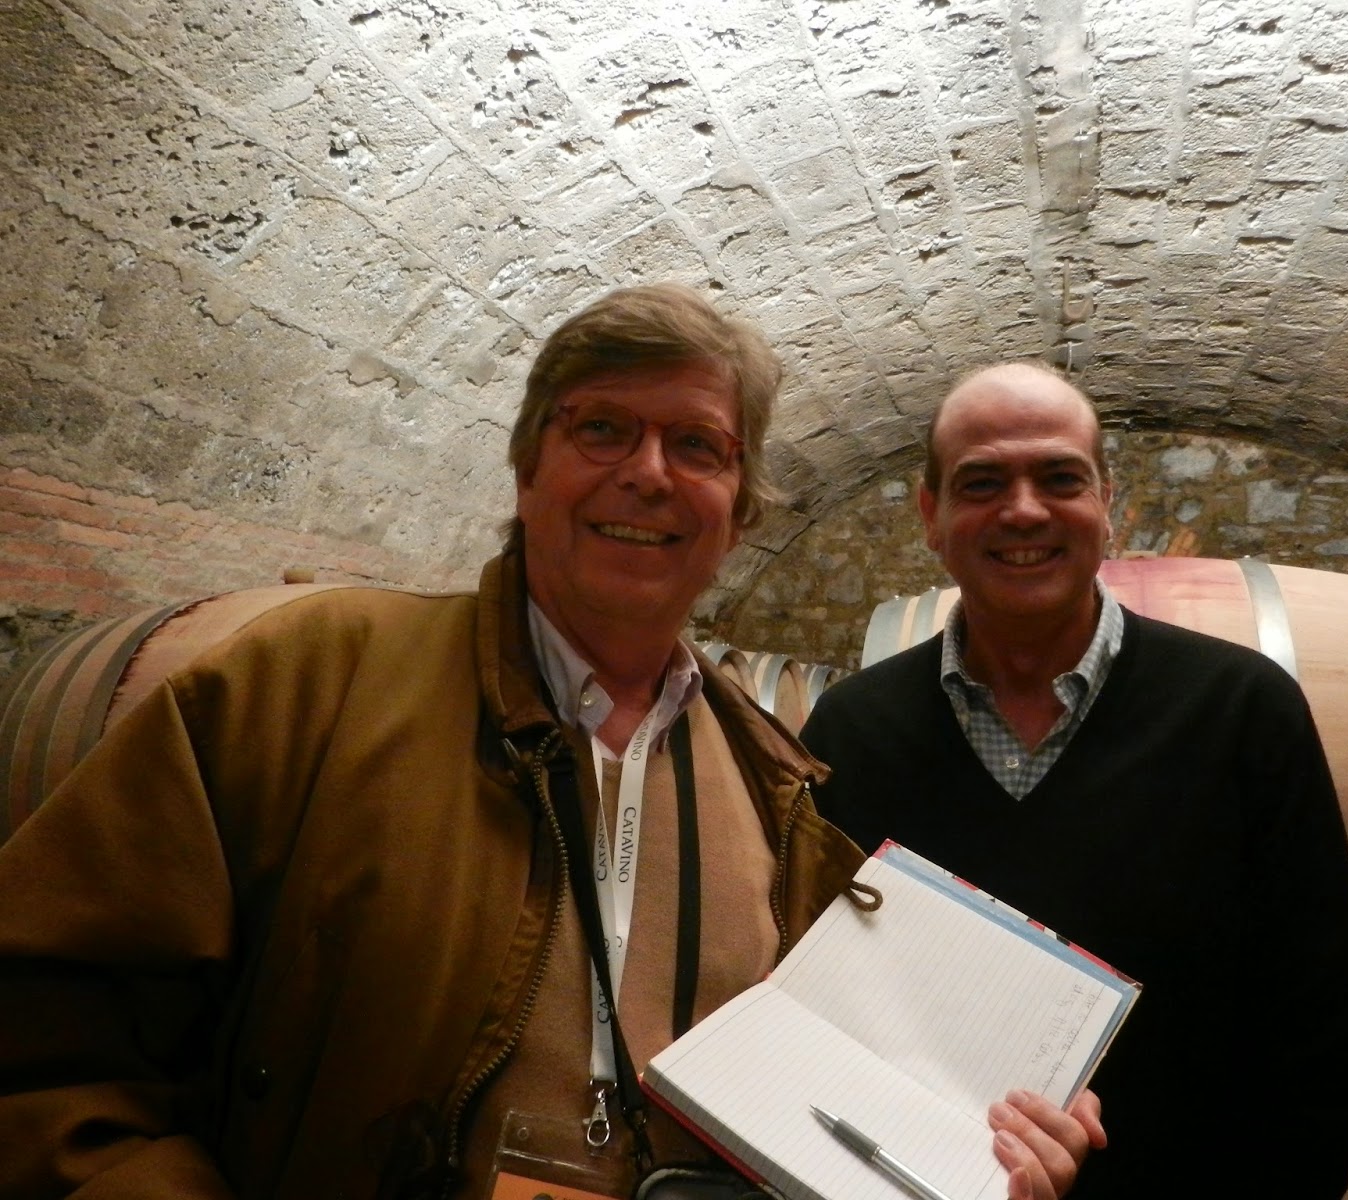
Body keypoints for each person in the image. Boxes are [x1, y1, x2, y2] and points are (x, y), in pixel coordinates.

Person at [0, 288, 1098, 1200]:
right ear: (529, 469)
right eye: (602, 429)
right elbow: (45, 1042)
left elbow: (829, 1104)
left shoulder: (773, 782)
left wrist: (979, 1148)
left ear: (738, 510)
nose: (649, 473)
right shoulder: (306, 685)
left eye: (697, 446)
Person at [800, 363, 1348, 1198]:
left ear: (1108, 502)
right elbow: (825, 1014)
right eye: (982, 482)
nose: (1024, 510)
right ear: (931, 516)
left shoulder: (1243, 710)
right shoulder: (850, 732)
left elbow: (1318, 1029)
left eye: (1060, 478)